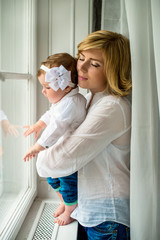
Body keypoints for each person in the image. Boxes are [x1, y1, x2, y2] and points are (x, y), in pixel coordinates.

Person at [36, 30, 132, 240]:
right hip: (91, 211)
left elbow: (60, 160)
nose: (82, 67)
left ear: (113, 70)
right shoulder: (87, 99)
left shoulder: (112, 107)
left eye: (94, 64)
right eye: (81, 58)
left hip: (107, 217)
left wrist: (40, 154)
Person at [23, 53, 86, 225]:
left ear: (66, 87)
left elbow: (56, 128)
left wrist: (37, 146)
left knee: (67, 182)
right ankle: (65, 204)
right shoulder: (64, 100)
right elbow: (51, 114)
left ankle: (71, 210)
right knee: (52, 178)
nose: (43, 91)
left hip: (70, 153)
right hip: (61, 149)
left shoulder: (72, 104)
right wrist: (37, 125)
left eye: (47, 87)